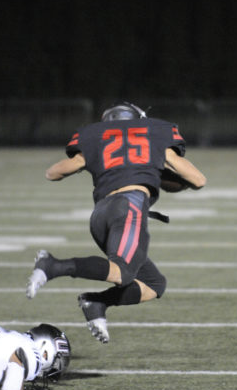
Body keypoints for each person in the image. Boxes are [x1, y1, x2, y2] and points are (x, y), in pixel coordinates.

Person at [26, 102, 206, 344]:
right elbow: (198, 180)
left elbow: (53, 173)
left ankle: (97, 303)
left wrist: (97, 162)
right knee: (122, 273)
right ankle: (54, 266)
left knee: (154, 283)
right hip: (129, 207)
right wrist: (154, 168)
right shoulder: (153, 135)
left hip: (100, 215)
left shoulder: (97, 138)